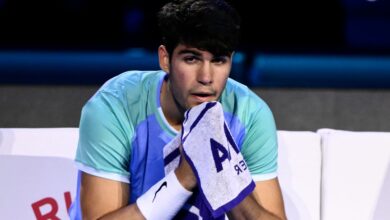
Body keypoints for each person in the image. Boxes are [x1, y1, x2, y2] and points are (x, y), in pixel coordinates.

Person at [69, 0, 286, 219]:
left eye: (218, 61)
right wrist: (184, 176)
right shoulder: (115, 106)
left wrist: (224, 176)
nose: (206, 77)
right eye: (191, 59)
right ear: (165, 59)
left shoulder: (249, 113)